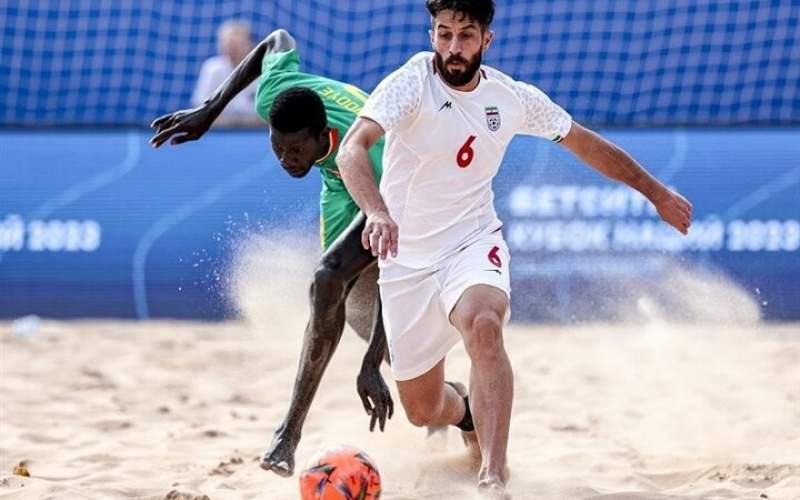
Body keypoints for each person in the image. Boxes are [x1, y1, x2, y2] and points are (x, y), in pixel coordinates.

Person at [335, 1, 694, 497]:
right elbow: (353, 146)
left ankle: (493, 475)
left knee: (484, 327)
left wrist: (656, 192)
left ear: (487, 39)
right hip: (406, 261)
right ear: (432, 35)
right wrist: (376, 211)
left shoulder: (511, 98)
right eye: (443, 35)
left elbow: (585, 143)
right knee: (422, 411)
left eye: (465, 36)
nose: (453, 48)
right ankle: (463, 412)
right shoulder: (412, 81)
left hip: (472, 241)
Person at [150, 28, 394, 478]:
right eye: (278, 149)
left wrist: (371, 360)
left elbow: (400, 270)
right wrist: (210, 110)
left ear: (323, 135)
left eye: (297, 150)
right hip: (338, 179)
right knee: (344, 300)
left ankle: (288, 433)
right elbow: (277, 40)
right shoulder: (276, 97)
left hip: (388, 189)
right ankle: (294, 432)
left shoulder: (382, 160)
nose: (286, 160)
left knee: (333, 282)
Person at [191, 20, 262, 127]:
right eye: (229, 44)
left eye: (238, 44)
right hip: (219, 132)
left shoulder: (265, 71)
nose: (233, 49)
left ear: (250, 44)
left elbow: (273, 114)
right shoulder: (212, 68)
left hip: (256, 132)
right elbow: (200, 109)